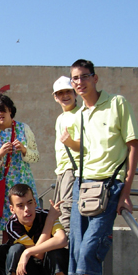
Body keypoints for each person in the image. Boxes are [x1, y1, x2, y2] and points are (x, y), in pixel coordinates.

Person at [45, 59, 138, 275]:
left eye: (84, 77)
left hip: (109, 186)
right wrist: (70, 143)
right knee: (74, 256)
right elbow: (87, 150)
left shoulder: (117, 103)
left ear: (95, 78)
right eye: (75, 78)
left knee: (89, 254)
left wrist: (125, 190)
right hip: (83, 186)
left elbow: (133, 144)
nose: (79, 82)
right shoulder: (81, 114)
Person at [0, 184, 71, 275]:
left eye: (30, 203)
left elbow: (62, 240)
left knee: (57, 251)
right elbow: (38, 254)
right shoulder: (13, 225)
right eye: (20, 206)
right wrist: (50, 222)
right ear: (12, 209)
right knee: (15, 250)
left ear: (35, 202)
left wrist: (28, 252)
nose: (27, 210)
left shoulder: (46, 215)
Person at [0, 92, 40, 238]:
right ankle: (9, 258)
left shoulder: (24, 128)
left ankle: (31, 256)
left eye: (3, 110)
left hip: (24, 183)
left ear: (10, 111)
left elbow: (36, 157)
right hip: (3, 188)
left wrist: (25, 150)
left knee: (29, 222)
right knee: (7, 228)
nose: (0, 114)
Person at [51, 76, 80, 234]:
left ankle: (68, 253)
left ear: (75, 93)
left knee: (66, 213)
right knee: (59, 212)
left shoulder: (82, 114)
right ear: (55, 97)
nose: (65, 96)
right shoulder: (60, 118)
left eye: (68, 91)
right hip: (61, 171)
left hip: (73, 169)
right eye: (60, 93)